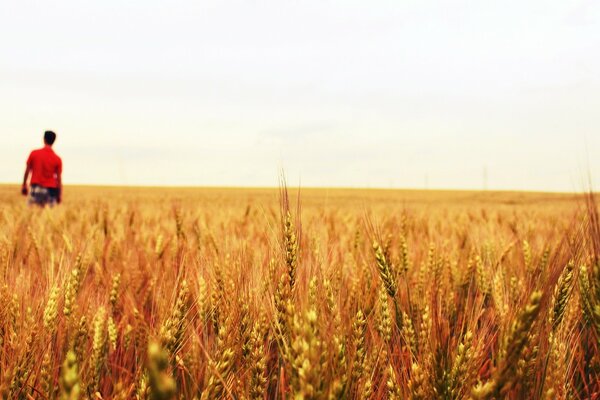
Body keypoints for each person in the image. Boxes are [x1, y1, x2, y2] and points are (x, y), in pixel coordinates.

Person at [21, 131, 63, 207]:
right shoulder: (57, 159)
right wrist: (59, 195)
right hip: (51, 190)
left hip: (36, 189)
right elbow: (58, 179)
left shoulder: (34, 153)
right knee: (49, 216)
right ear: (54, 141)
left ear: (44, 139)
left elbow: (27, 171)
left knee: (32, 215)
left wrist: (24, 185)